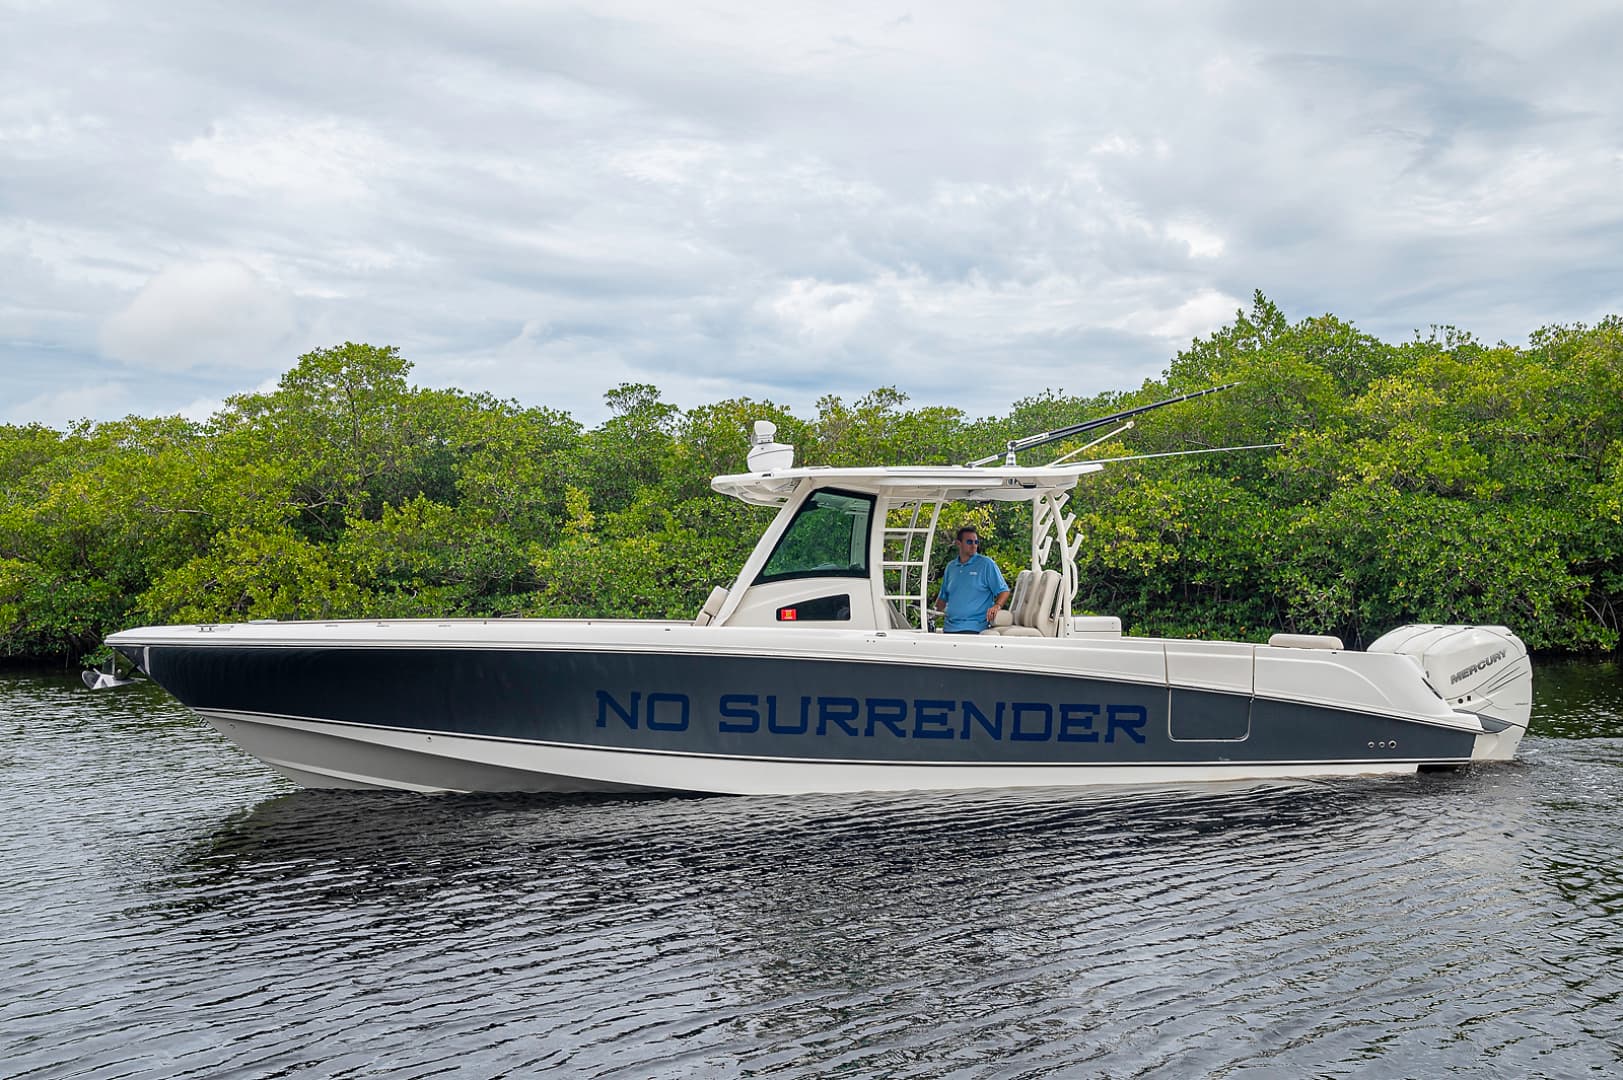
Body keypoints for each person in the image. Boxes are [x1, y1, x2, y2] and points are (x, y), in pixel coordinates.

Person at [932, 527, 1011, 634]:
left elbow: (1004, 591)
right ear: (958, 543)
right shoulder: (951, 567)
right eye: (969, 542)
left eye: (976, 542)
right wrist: (930, 615)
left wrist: (997, 606)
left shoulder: (986, 564)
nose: (974, 545)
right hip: (949, 628)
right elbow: (942, 599)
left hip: (974, 628)